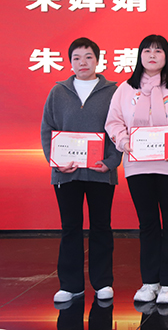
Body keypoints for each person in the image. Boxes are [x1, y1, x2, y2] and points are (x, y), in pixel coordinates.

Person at [105, 35, 168, 304]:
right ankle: (149, 282)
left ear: (166, 56)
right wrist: (124, 142)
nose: (152, 55)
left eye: (158, 51)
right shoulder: (125, 89)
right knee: (147, 224)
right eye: (147, 51)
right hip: (138, 166)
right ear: (140, 56)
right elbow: (114, 122)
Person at [41, 38, 122, 303]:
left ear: (97, 60)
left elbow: (120, 128)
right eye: (76, 58)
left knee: (101, 226)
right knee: (70, 227)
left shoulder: (113, 92)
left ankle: (103, 282)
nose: (82, 62)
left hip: (100, 171)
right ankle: (70, 285)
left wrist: (111, 161)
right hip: (66, 173)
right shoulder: (58, 92)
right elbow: (47, 129)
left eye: (88, 57)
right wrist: (55, 161)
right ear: (70, 62)